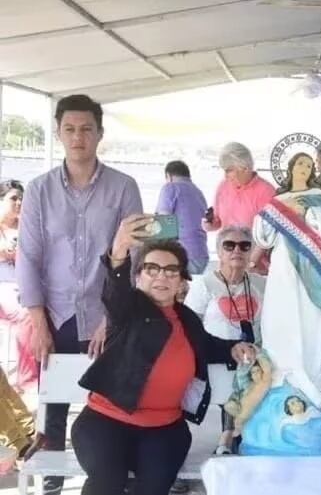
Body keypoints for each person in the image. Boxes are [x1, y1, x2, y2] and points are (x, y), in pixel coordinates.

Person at [71, 215, 254, 495]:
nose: (161, 276)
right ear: (138, 275)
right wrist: (119, 252)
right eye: (152, 268)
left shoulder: (186, 318)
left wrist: (231, 348)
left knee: (154, 488)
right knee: (107, 480)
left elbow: (205, 344)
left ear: (182, 280)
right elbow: (114, 292)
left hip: (164, 428)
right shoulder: (128, 309)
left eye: (171, 271)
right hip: (105, 421)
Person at [16, 94, 143, 495]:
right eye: (69, 129)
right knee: (51, 409)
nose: (78, 137)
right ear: (58, 133)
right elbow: (28, 256)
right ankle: (53, 484)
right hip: (54, 316)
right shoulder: (38, 190)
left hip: (107, 316)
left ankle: (107, 482)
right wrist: (38, 323)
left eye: (86, 128)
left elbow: (136, 256)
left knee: (108, 407)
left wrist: (114, 315)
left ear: (100, 134)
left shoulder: (124, 187)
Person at [254, 152, 321, 409]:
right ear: (290, 168)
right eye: (300, 163)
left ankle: (310, 380)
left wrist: (308, 213)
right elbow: (262, 237)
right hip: (283, 268)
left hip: (312, 267)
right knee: (280, 317)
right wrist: (283, 213)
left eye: (308, 165)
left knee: (311, 321)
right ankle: (281, 378)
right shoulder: (276, 201)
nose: (304, 168)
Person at [185, 225, 265, 454]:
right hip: (218, 356)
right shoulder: (204, 284)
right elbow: (191, 325)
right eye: (229, 245)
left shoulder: (261, 283)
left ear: (251, 251)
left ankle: (234, 442)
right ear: (219, 252)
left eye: (244, 246)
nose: (236, 251)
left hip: (253, 357)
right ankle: (228, 441)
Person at [202, 142, 275, 272]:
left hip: (255, 266)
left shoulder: (266, 191)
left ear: (245, 168)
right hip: (227, 262)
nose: (225, 176)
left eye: (229, 170)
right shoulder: (223, 187)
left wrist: (250, 264)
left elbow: (268, 234)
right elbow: (217, 221)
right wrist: (209, 224)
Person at [0, 180, 37, 391]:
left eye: (21, 198)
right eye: (13, 198)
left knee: (36, 310)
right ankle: (27, 378)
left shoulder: (27, 227)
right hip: (3, 288)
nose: (19, 203)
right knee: (26, 313)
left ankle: (31, 376)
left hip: (20, 286)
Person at [156, 160, 209, 275]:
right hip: (201, 255)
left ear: (168, 176)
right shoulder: (198, 192)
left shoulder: (170, 188)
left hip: (182, 256)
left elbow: (164, 225)